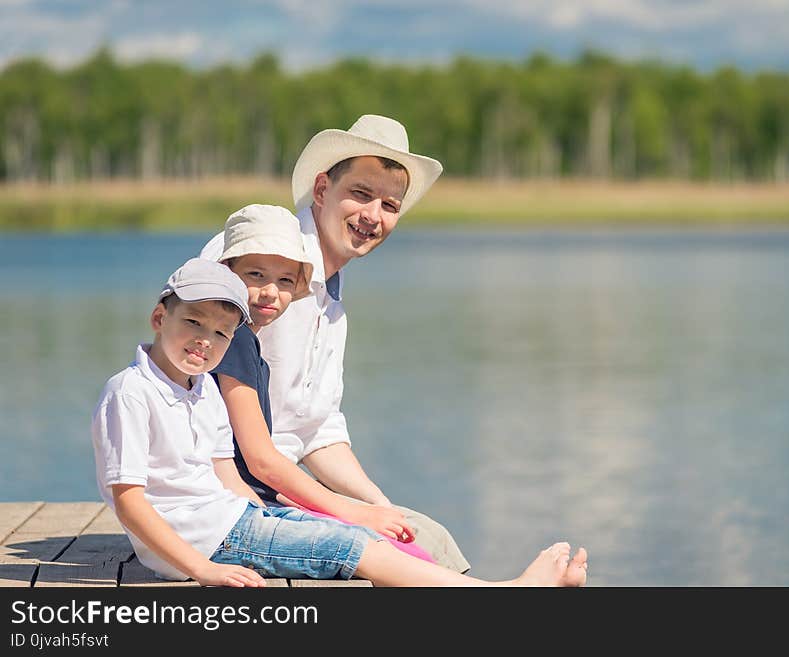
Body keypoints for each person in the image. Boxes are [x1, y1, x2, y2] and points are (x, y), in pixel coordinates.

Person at [90, 257, 588, 586]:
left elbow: (226, 475)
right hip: (199, 543)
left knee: (358, 535)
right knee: (346, 545)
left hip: (229, 521)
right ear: (160, 317)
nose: (204, 341)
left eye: (221, 334)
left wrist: (278, 519)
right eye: (192, 323)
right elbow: (129, 500)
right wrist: (202, 569)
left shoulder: (202, 391)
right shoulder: (131, 393)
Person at [200, 114, 469, 571]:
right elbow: (240, 442)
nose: (372, 216)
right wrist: (352, 511)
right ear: (322, 189)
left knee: (424, 535)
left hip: (279, 487)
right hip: (233, 497)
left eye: (390, 204)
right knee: (404, 553)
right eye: (361, 194)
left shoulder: (330, 301)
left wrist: (382, 507)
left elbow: (316, 430)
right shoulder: (259, 262)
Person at [211, 202, 433, 562]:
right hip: (236, 513)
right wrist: (354, 512)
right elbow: (258, 461)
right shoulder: (233, 341)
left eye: (285, 281)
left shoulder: (248, 341)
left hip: (259, 497)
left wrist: (374, 504)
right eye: (255, 275)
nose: (270, 291)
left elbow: (314, 431)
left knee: (410, 544)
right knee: (388, 551)